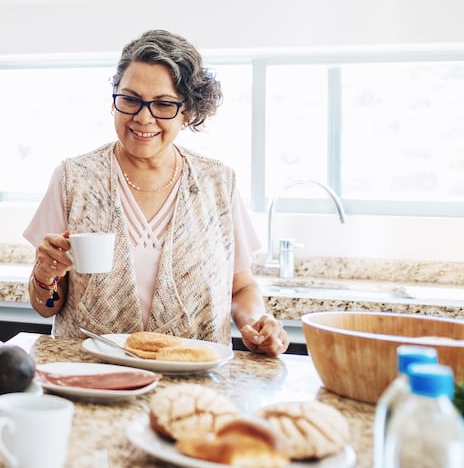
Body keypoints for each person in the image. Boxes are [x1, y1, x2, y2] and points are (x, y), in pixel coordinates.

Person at [22, 29, 289, 356]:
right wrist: (45, 276)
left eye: (163, 104)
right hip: (90, 375)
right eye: (131, 99)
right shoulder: (73, 179)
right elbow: (46, 306)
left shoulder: (218, 184)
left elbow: (242, 288)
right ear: (114, 100)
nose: (143, 117)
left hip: (192, 380)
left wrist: (257, 322)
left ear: (187, 112)